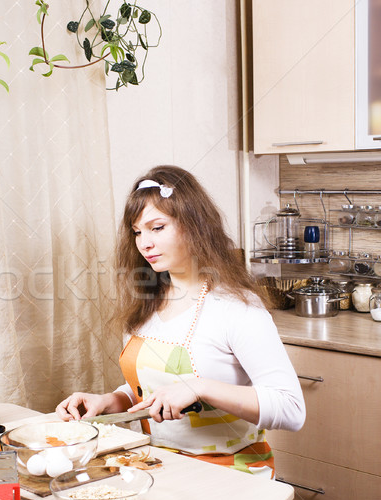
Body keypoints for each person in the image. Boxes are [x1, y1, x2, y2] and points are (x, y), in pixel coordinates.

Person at [56, 165, 306, 477]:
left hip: (232, 477)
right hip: (163, 469)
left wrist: (200, 387)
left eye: (157, 228)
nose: (144, 243)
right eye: (137, 232)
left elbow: (291, 410)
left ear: (194, 225)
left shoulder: (237, 308)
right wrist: (113, 400)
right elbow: (153, 387)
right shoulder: (146, 304)